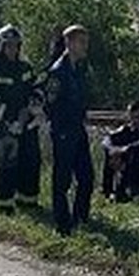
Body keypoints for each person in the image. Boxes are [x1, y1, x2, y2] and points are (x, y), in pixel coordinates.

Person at [0, 25, 44, 214]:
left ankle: (28, 202)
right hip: (3, 128)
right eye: (8, 45)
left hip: (27, 126)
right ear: (0, 46)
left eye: (15, 45)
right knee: (6, 166)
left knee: (31, 162)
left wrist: (35, 103)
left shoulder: (25, 67)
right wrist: (10, 117)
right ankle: (5, 207)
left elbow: (36, 88)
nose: (12, 49)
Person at [45, 24, 93, 236]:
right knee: (62, 179)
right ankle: (62, 224)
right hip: (64, 131)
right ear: (70, 43)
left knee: (87, 176)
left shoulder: (79, 69)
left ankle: (80, 218)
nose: (85, 47)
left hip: (78, 129)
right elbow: (50, 104)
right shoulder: (58, 72)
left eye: (86, 42)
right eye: (81, 42)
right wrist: (62, 127)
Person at [102, 99, 139, 201]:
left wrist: (124, 150)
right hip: (129, 169)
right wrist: (112, 151)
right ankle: (108, 192)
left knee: (135, 154)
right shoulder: (128, 130)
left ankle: (138, 191)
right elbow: (107, 140)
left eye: (138, 117)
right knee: (112, 155)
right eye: (132, 118)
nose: (135, 121)